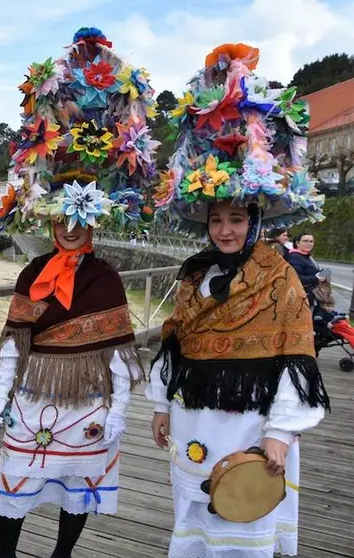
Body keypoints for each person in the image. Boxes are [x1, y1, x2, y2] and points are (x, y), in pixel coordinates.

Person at [150, 42, 329, 557]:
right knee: (195, 520)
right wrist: (161, 405)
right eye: (216, 219)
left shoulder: (281, 278)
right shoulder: (194, 276)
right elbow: (174, 346)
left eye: (236, 219)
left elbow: (297, 358)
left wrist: (280, 432)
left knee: (246, 524)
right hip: (194, 421)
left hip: (252, 423)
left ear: (254, 222)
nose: (225, 230)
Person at [0, 27, 158, 558]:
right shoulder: (33, 270)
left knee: (77, 489)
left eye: (80, 223)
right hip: (35, 397)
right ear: (52, 221)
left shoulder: (105, 275)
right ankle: (7, 554)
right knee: (16, 477)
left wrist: (120, 409)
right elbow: (15, 339)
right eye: (62, 222)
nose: (71, 232)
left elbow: (118, 351)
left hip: (87, 403)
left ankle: (62, 554)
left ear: (94, 224)